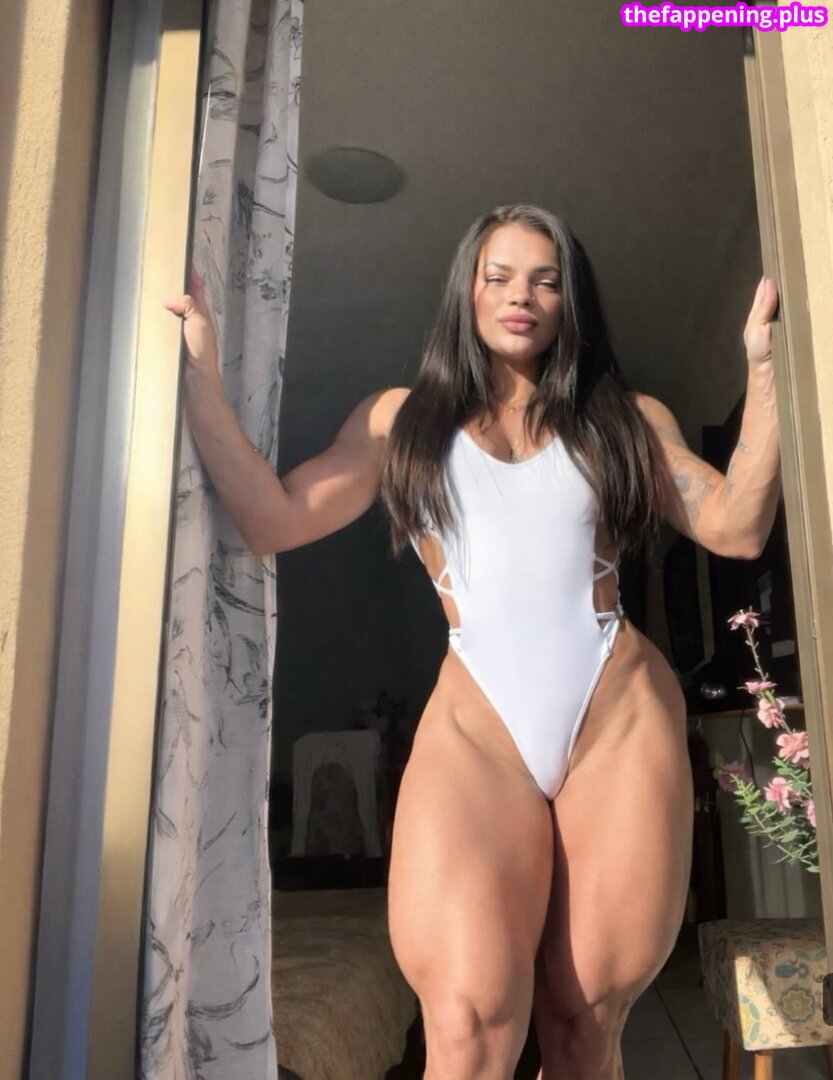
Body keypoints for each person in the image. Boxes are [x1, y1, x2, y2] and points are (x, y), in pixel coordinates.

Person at [166, 204, 781, 1080]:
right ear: (468, 292)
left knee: (582, 1022)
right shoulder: (400, 422)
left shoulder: (625, 419)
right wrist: (200, 376)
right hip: (478, 730)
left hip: (616, 719)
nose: (520, 295)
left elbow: (736, 527)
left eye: (545, 280)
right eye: (499, 276)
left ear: (569, 302)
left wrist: (764, 374)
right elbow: (272, 519)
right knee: (465, 1026)